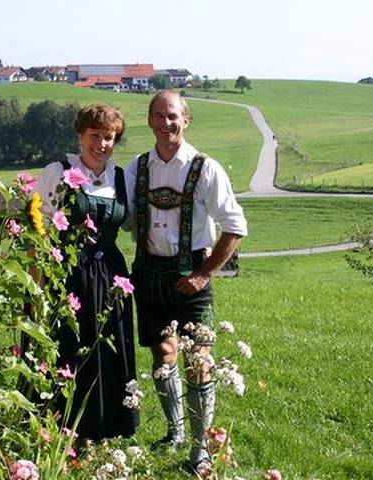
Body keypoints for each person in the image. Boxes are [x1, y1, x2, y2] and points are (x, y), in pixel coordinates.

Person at [125, 90, 247, 470]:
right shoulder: (135, 168)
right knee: (162, 355)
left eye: (173, 115)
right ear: (149, 121)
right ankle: (175, 429)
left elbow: (235, 226)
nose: (166, 123)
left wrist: (204, 273)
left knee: (199, 360)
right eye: (159, 115)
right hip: (148, 271)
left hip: (192, 274)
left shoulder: (204, 167)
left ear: (186, 120)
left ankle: (201, 448)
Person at [34, 104, 138, 441]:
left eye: (109, 137)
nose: (102, 144)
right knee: (67, 347)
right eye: (95, 135)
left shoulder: (121, 178)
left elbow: (136, 223)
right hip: (68, 274)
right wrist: (38, 285)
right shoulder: (58, 171)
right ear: (81, 135)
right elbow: (40, 227)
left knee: (106, 349)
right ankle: (60, 428)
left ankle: (102, 428)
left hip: (110, 276)